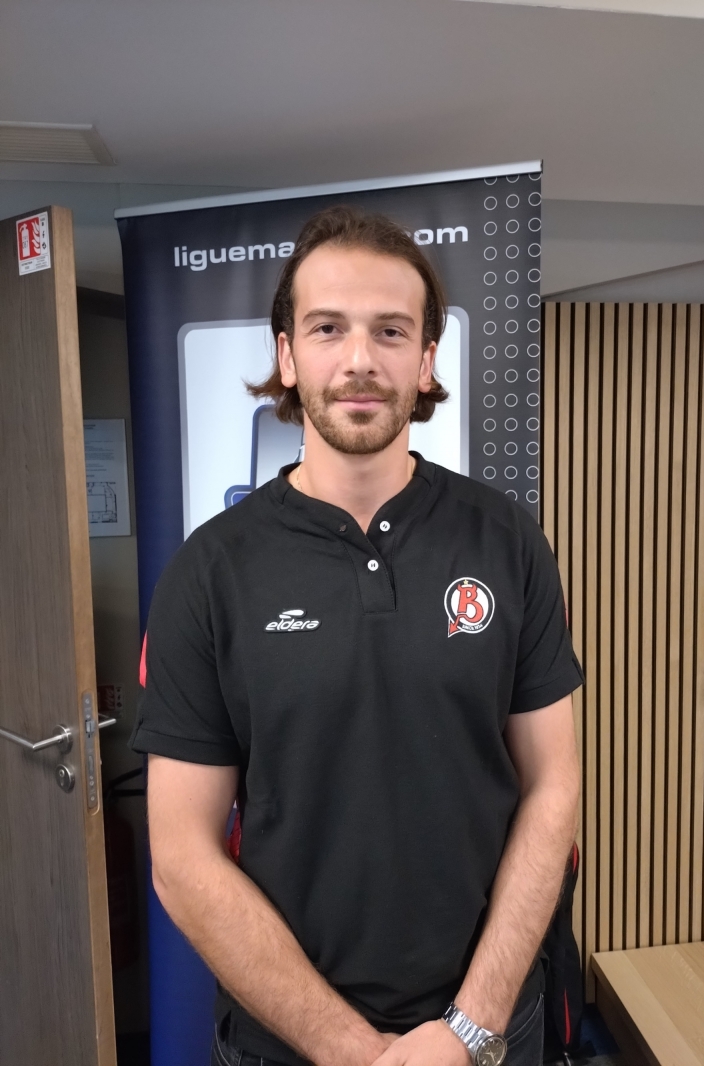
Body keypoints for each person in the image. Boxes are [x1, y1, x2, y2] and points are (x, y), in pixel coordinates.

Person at [132, 205, 584, 1066]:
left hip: (490, 1033)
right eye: (328, 327)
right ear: (287, 354)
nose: (359, 360)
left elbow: (553, 787)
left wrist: (468, 1030)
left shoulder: (507, 540)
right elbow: (181, 856)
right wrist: (356, 1052)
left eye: (390, 330)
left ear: (425, 360)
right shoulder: (209, 571)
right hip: (288, 1045)